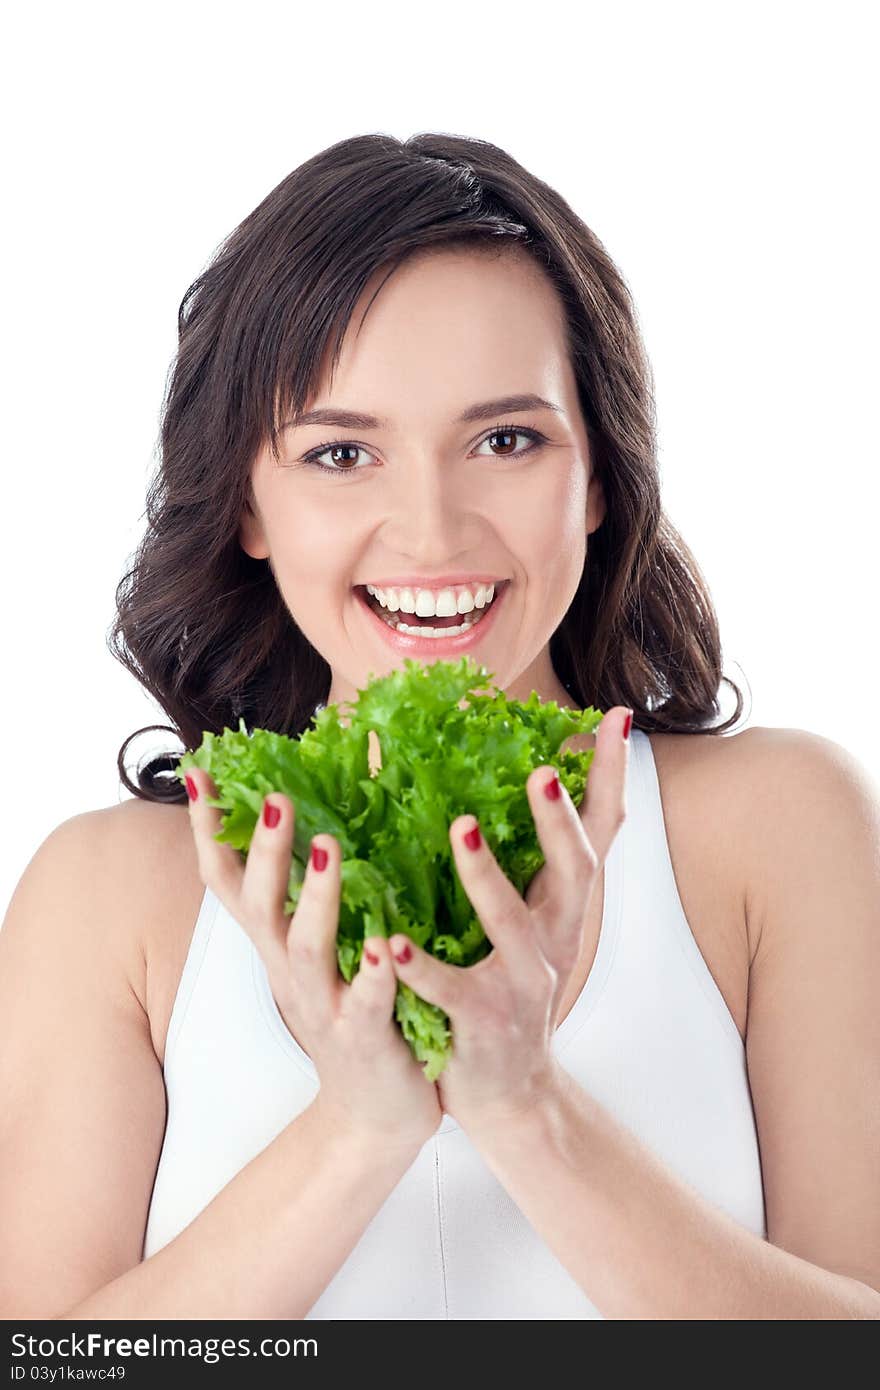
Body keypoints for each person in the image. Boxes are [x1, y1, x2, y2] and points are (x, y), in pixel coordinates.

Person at [1, 132, 878, 1322]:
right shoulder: (106, 894)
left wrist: (524, 1105)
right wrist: (357, 1129)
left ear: (602, 476)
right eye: (341, 453)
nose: (429, 531)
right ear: (248, 505)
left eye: (506, 439)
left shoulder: (780, 829)